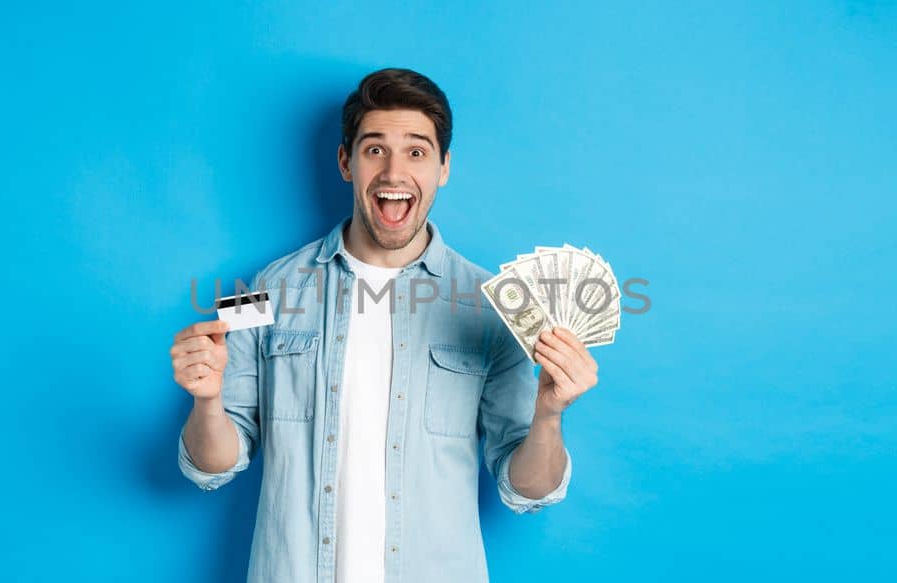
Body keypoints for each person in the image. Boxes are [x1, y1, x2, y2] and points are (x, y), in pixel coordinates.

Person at [168, 68, 601, 583]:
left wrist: (550, 414)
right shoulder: (261, 287)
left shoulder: (494, 306)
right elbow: (212, 466)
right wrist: (207, 400)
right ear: (346, 162)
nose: (395, 173)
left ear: (444, 167)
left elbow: (528, 489)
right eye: (375, 149)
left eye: (416, 152)